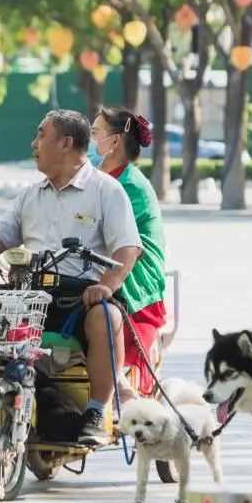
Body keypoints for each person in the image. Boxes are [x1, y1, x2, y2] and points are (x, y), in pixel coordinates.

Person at [0, 109, 143, 446]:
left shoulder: (106, 191)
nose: (34, 144)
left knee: (107, 318)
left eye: (40, 135)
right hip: (29, 294)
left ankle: (94, 412)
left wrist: (106, 285)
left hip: (80, 297)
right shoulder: (31, 195)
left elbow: (128, 249)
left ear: (65, 143)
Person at [87, 106, 167, 404]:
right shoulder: (100, 180)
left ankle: (118, 383)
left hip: (133, 275)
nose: (89, 142)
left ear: (114, 142)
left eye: (94, 134)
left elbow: (117, 243)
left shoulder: (130, 185)